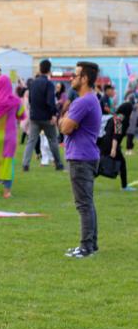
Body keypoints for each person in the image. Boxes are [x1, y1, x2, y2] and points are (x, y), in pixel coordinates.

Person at [59, 62, 102, 258]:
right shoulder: (91, 100)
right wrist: (66, 120)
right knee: (87, 203)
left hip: (81, 157)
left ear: (84, 78)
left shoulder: (83, 102)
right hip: (87, 155)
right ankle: (91, 244)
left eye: (75, 75)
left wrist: (64, 119)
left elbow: (66, 127)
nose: (71, 78)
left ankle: (86, 247)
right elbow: (68, 125)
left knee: (83, 204)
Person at [24, 60, 64, 171]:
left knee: (31, 141)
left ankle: (25, 164)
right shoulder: (49, 84)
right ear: (49, 70)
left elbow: (31, 100)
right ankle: (58, 163)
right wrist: (53, 114)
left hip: (34, 117)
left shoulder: (33, 83)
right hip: (46, 117)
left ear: (40, 69)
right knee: (53, 140)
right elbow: (50, 101)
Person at [98, 102, 134, 191]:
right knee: (121, 163)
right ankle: (124, 186)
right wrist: (114, 148)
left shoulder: (115, 117)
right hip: (111, 144)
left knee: (101, 164)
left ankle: (85, 180)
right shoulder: (120, 119)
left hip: (104, 143)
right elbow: (116, 135)